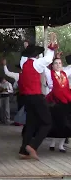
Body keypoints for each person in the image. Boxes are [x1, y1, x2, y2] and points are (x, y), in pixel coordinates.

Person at [18, 32, 57, 160]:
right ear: (36, 55)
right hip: (36, 97)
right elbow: (48, 59)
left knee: (31, 124)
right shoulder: (37, 63)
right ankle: (33, 146)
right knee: (47, 123)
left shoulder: (24, 64)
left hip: (27, 98)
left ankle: (23, 150)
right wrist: (51, 47)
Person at [44, 54, 71, 153]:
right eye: (56, 63)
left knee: (66, 124)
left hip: (66, 102)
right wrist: (51, 53)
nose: (58, 65)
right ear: (52, 65)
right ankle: (52, 143)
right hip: (55, 102)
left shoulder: (65, 72)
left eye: (60, 63)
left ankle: (61, 145)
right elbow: (43, 64)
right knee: (55, 123)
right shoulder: (49, 73)